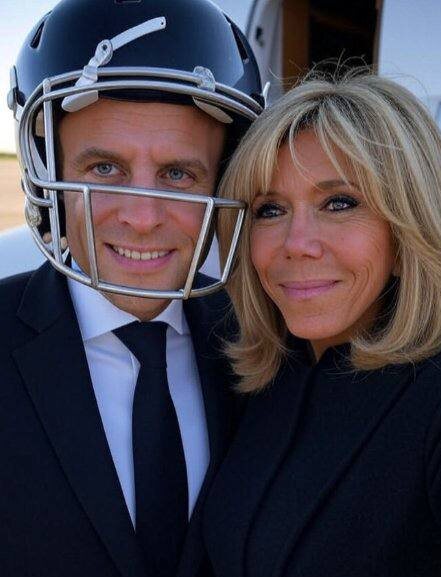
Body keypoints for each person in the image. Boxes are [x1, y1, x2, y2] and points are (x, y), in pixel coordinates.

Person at [0, 1, 263, 576]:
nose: (143, 218)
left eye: (178, 174)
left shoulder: (264, 342)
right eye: (105, 169)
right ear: (49, 167)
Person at [203, 71, 441, 576]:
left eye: (339, 203)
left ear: (408, 228)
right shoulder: (263, 375)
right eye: (271, 209)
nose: (296, 243)